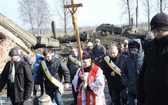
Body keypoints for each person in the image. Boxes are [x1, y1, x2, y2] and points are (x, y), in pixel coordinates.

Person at [137, 12, 168, 105]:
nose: (156, 34)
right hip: (149, 98)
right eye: (154, 32)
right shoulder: (149, 46)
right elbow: (144, 71)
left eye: (159, 31)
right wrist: (140, 94)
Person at [121, 38, 144, 105]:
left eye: (135, 50)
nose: (133, 52)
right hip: (131, 88)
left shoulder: (144, 58)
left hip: (142, 88)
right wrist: (127, 83)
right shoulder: (126, 59)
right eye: (131, 50)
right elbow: (123, 71)